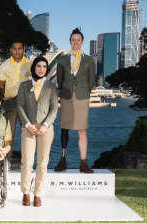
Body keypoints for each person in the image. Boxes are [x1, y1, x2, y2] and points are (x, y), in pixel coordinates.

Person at [17, 56, 58, 207]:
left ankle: (38, 194)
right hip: (28, 128)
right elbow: (20, 106)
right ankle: (26, 193)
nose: (41, 69)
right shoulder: (24, 85)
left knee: (42, 163)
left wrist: (45, 125)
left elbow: (54, 108)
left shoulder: (51, 87)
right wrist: (28, 124)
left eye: (44, 67)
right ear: (34, 67)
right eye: (39, 66)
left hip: (45, 129)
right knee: (27, 162)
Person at [54, 28, 96, 173]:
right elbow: (59, 80)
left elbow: (91, 81)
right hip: (66, 96)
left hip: (82, 97)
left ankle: (83, 163)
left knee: (82, 130)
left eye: (78, 40)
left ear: (82, 42)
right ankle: (62, 160)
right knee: (64, 128)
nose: (75, 42)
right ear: (70, 41)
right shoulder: (63, 59)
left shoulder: (89, 60)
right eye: (73, 39)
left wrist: (83, 92)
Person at [0, 39, 31, 165]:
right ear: (11, 49)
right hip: (10, 101)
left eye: (20, 48)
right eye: (14, 48)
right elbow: (0, 85)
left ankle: (27, 161)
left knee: (27, 131)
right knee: (8, 132)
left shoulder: (30, 64)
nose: (17, 51)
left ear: (23, 49)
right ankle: (7, 160)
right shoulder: (4, 65)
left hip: (27, 102)